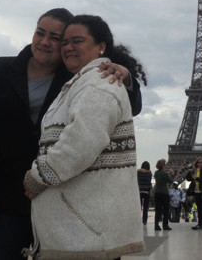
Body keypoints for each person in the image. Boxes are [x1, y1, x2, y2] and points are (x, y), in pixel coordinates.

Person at [0, 8, 142, 259]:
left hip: (60, 200)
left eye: (56, 38)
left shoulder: (81, 76)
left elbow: (127, 106)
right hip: (4, 200)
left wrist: (126, 76)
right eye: (40, 33)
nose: (45, 42)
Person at [22, 14, 146, 259]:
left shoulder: (99, 82)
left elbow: (81, 142)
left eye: (76, 41)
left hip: (85, 235)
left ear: (101, 46)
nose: (67, 47)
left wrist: (37, 176)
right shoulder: (83, 80)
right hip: (81, 230)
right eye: (65, 42)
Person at [186, 157, 202, 230]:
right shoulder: (194, 170)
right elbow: (188, 179)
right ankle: (200, 224)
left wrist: (196, 178)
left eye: (201, 162)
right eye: (198, 162)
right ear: (196, 163)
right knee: (199, 209)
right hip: (197, 192)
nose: (200, 163)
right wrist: (189, 172)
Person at [153, 158, 174, 231]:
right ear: (163, 166)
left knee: (158, 210)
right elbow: (171, 181)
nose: (165, 166)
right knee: (165, 210)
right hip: (164, 193)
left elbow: (161, 176)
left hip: (157, 193)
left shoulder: (156, 173)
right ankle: (165, 225)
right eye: (165, 165)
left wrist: (167, 173)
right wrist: (170, 174)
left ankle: (156, 225)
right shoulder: (165, 173)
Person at [137, 161, 152, 225]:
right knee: (145, 207)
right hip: (146, 191)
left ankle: (137, 219)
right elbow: (149, 180)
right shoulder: (149, 173)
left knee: (139, 207)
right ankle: (145, 221)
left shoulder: (138, 172)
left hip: (139, 190)